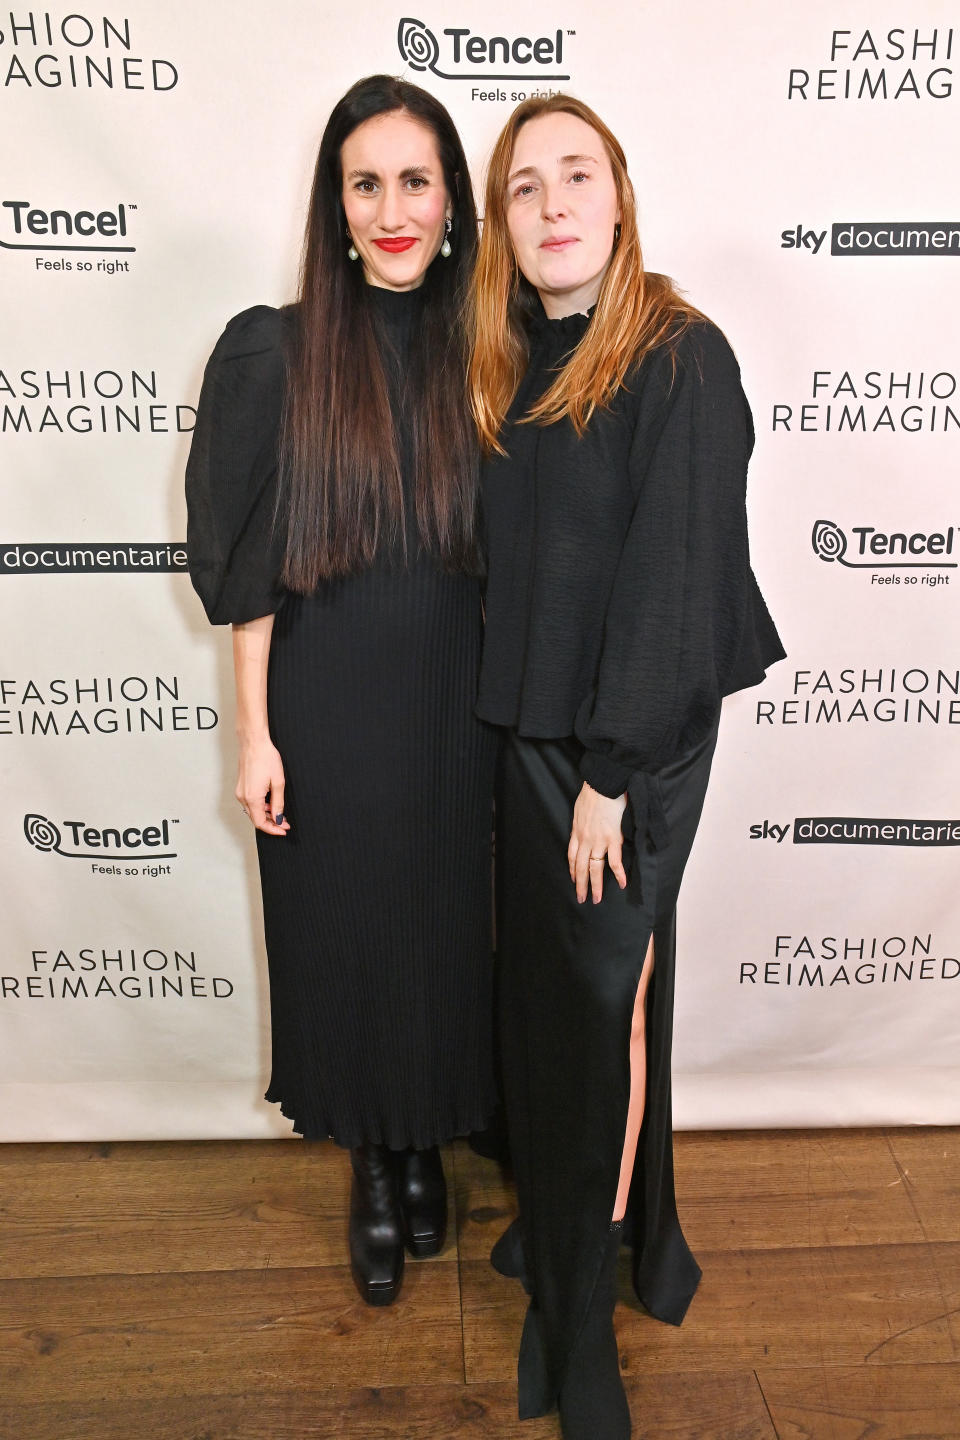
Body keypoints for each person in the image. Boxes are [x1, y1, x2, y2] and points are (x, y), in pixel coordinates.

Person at [469, 95, 785, 1437]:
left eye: (575, 176)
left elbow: (672, 579)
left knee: (605, 1011)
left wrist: (609, 772)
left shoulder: (678, 356)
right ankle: (593, 1230)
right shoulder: (509, 358)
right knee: (551, 1009)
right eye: (525, 186)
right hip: (522, 734)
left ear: (620, 192)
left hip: (623, 755)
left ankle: (580, 1312)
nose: (551, 205)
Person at [185, 74, 497, 1308]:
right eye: (365, 184)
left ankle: (428, 1146)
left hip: (461, 706)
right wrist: (255, 734)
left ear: (453, 199)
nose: (392, 209)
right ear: (336, 203)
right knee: (344, 940)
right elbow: (252, 569)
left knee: (438, 939)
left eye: (415, 181)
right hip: (325, 699)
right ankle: (374, 1164)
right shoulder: (278, 348)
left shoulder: (494, 342)